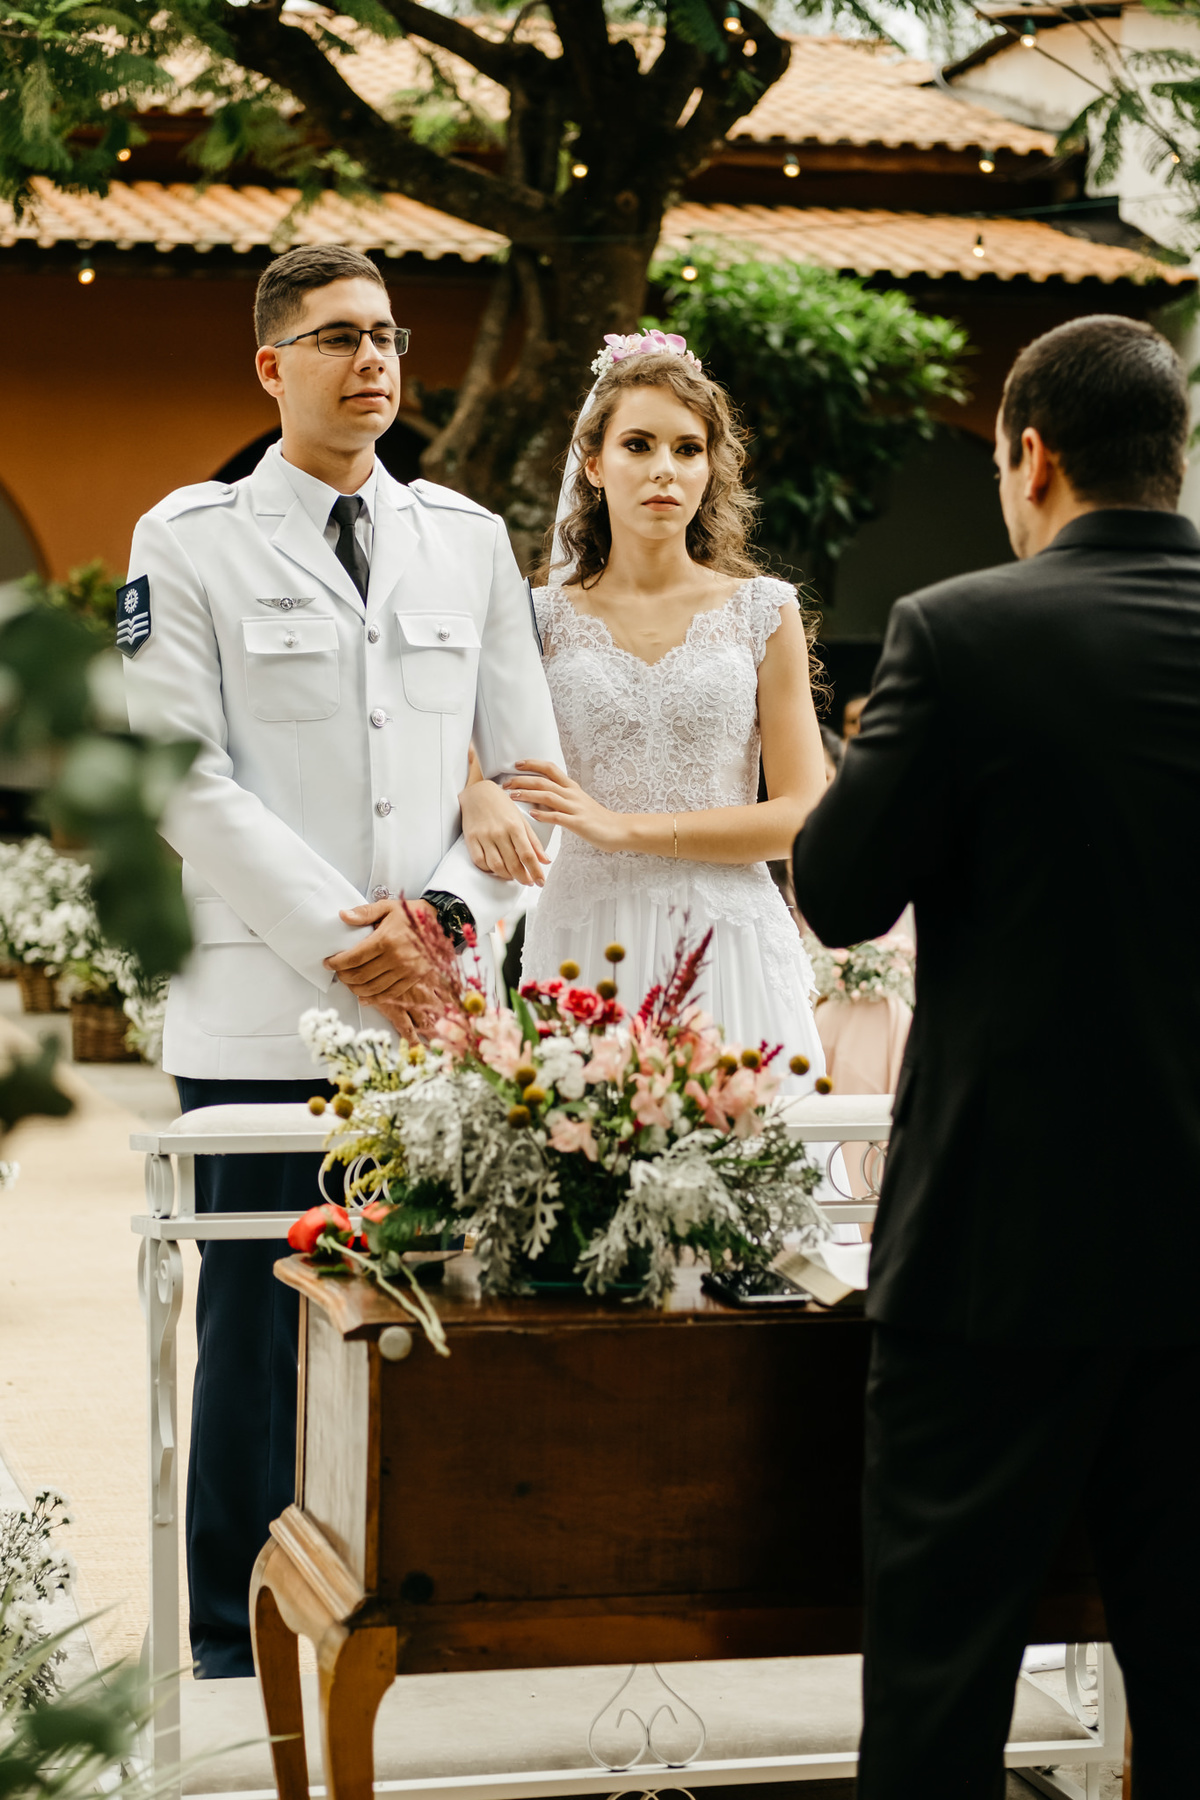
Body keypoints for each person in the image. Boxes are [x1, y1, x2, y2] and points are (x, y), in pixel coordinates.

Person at [121, 244, 560, 1677]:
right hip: (259, 1016)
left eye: (384, 335)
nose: (372, 362)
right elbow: (178, 779)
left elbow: (527, 778)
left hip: (432, 1020)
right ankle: (229, 1656)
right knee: (254, 1345)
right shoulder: (185, 537)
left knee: (424, 1324)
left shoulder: (470, 539)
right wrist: (341, 942)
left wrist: (428, 927)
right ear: (272, 367)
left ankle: (406, 1625)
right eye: (334, 339)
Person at [792, 314, 1200, 1796]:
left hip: (1000, 1260)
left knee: (941, 1690)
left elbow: (839, 891)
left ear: (1030, 456)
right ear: (1178, 454)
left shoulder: (958, 634)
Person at [458, 333, 830, 1078]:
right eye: (639, 444)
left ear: (710, 471)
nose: (665, 469)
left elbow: (801, 816)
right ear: (594, 465)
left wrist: (623, 827)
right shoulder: (533, 620)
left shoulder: (765, 612)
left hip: (732, 940)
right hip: (586, 934)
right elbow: (457, 748)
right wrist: (473, 792)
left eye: (688, 450)